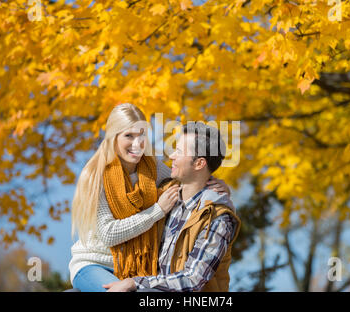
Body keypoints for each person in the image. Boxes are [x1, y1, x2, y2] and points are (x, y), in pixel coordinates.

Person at [68, 104, 231, 292]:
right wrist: (157, 211)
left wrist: (217, 184)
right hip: (95, 264)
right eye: (129, 136)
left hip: (136, 269)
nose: (137, 144)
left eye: (142, 135)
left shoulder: (152, 167)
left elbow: (187, 175)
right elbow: (109, 234)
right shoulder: (95, 175)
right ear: (114, 137)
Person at [102, 121, 241, 292]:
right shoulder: (165, 193)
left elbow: (193, 279)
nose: (172, 156)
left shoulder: (217, 218)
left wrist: (134, 283)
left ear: (199, 164)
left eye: (180, 152)